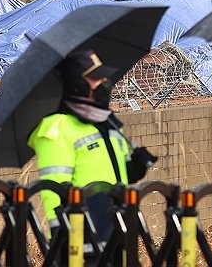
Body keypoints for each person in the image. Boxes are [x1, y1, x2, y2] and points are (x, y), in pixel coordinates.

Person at [28, 49, 158, 247]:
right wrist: (62, 232)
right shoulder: (58, 128)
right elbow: (53, 189)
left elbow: (115, 173)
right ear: (77, 85)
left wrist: (135, 167)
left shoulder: (107, 122)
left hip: (116, 226)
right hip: (82, 236)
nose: (104, 82)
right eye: (96, 78)